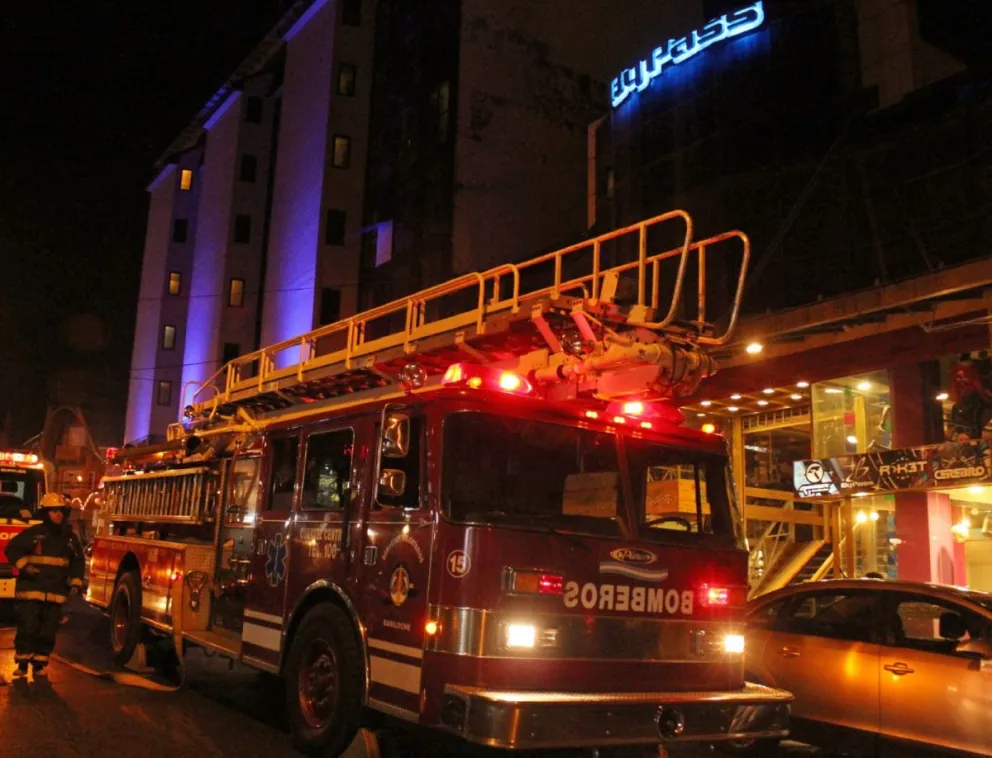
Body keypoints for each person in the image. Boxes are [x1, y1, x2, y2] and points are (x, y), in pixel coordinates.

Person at [3, 492, 84, 681]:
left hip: (55, 593)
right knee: (28, 627)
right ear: (45, 513)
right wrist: (25, 566)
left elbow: (77, 562)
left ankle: (39, 663)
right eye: (53, 511)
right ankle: (22, 664)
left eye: (60, 512)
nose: (58, 515)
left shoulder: (69, 538)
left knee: (48, 631)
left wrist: (75, 582)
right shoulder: (34, 533)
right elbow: (12, 549)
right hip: (31, 591)